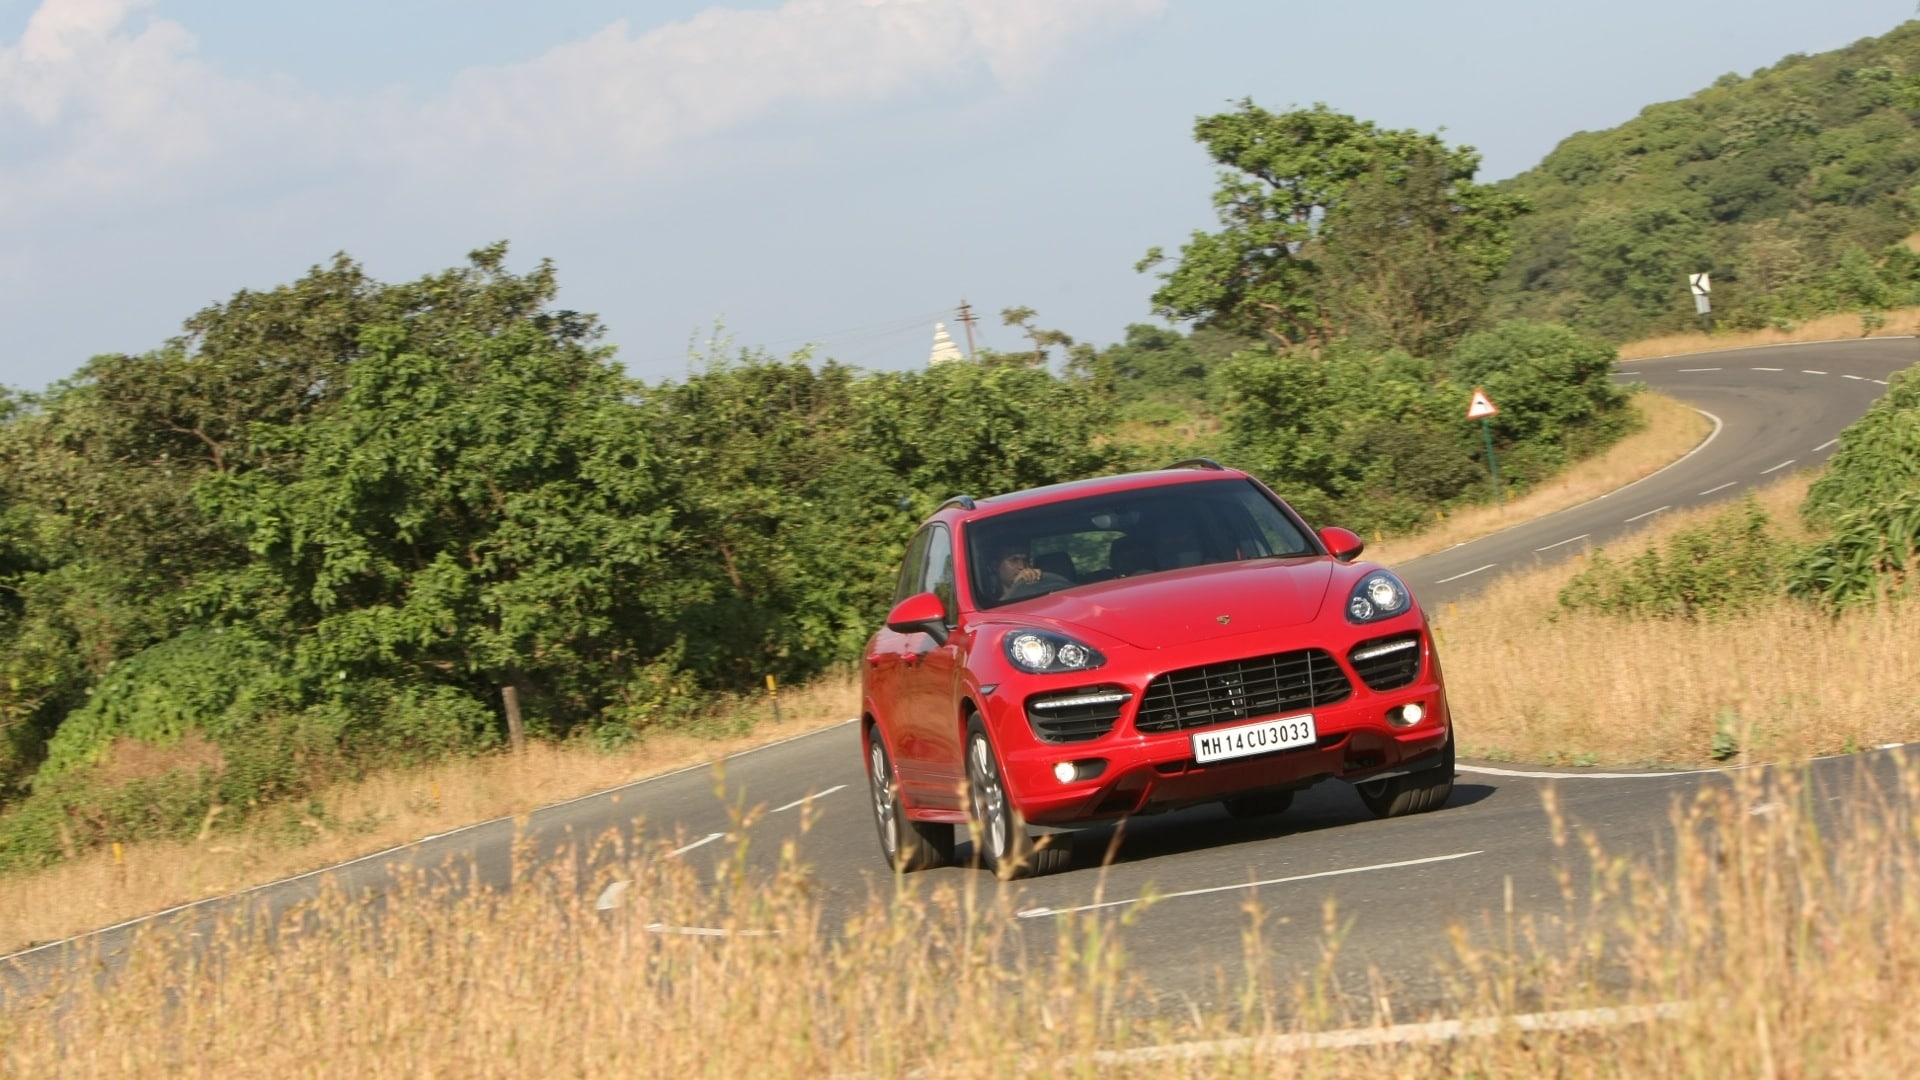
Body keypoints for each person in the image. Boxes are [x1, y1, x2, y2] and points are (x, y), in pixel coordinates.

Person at [990, 542, 1072, 601]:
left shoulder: (1047, 589)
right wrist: (1016, 587)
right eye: (1014, 560)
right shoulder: (987, 601)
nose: (1022, 566)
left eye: (1025, 560)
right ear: (995, 566)